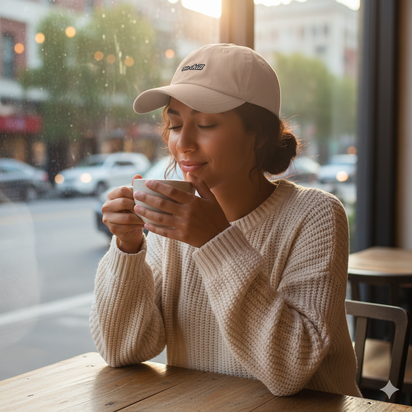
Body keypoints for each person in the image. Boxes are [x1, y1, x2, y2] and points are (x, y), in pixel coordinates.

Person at [90, 43, 361, 397]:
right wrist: (128, 248)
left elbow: (290, 370)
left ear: (259, 134)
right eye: (174, 124)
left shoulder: (315, 215)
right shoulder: (172, 222)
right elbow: (122, 350)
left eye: (205, 124)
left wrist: (215, 241)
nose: (183, 143)